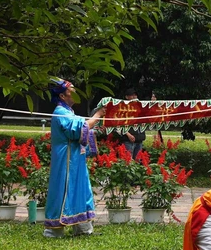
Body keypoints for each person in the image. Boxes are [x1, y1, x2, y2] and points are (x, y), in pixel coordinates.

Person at [43, 79, 104, 237]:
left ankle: (83, 228)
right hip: (66, 159)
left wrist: (94, 129)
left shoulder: (69, 112)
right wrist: (97, 115)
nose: (76, 93)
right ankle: (54, 230)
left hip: (75, 158)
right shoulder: (61, 112)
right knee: (64, 189)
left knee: (81, 189)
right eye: (72, 90)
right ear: (63, 96)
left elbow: (82, 130)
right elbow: (78, 130)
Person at [115, 88, 146, 158]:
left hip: (139, 140)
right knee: (128, 161)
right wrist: (128, 134)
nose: (134, 97)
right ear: (126, 97)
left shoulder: (140, 108)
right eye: (132, 95)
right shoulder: (122, 109)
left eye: (135, 95)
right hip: (128, 140)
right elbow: (118, 124)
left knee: (138, 161)